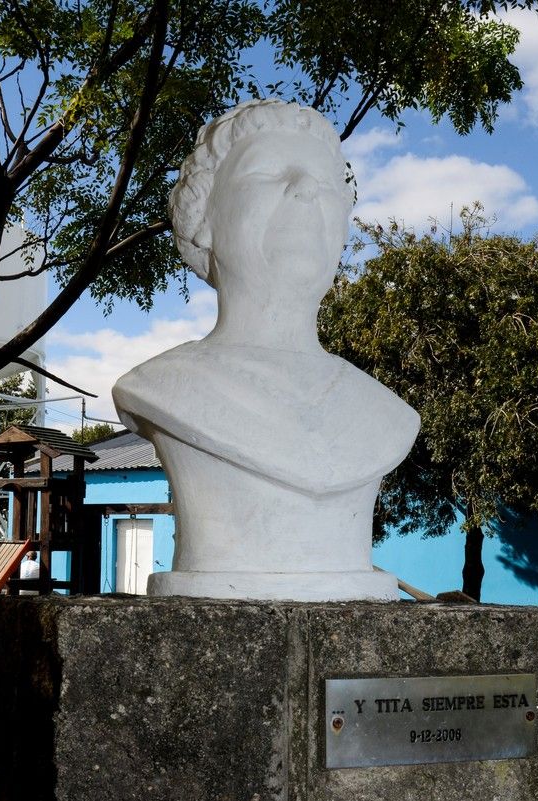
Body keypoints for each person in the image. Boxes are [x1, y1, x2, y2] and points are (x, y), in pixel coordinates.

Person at [112, 99, 419, 601]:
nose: (305, 191)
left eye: (325, 183)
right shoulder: (161, 389)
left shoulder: (386, 414)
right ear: (204, 218)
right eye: (267, 174)